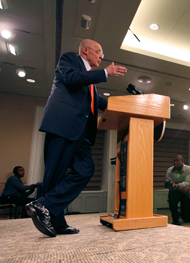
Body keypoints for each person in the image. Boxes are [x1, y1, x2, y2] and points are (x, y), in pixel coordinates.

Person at [25, 39, 127, 237]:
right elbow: (72, 79)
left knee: (85, 169)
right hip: (63, 125)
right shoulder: (70, 59)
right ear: (85, 50)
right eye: (99, 51)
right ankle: (57, 221)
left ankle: (43, 205)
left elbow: (97, 101)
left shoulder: (89, 80)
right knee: (54, 175)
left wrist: (125, 108)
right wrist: (105, 73)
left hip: (81, 133)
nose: (101, 56)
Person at [165, 155, 190, 225]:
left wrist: (176, 185)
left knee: (187, 219)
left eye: (177, 161)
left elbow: (189, 183)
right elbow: (167, 183)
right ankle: (175, 218)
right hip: (176, 192)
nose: (175, 162)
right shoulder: (170, 170)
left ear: (182, 162)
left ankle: (182, 213)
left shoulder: (189, 169)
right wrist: (179, 187)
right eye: (174, 161)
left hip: (187, 193)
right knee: (172, 194)